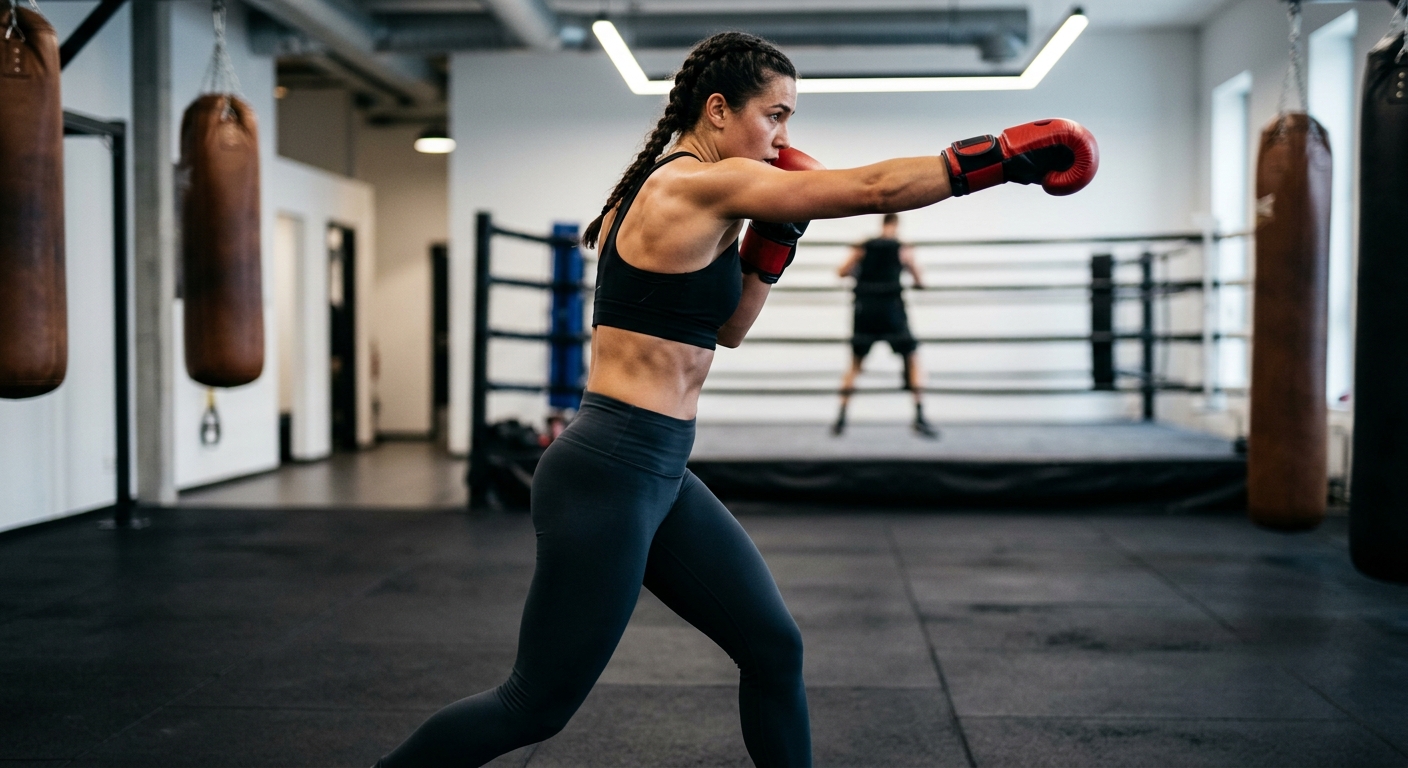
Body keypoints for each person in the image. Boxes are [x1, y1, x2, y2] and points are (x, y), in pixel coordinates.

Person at [378, 31, 1097, 768]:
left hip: (659, 470)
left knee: (773, 648)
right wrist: (1000, 158)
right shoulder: (687, 184)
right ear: (718, 110)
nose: (784, 137)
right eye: (775, 116)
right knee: (534, 705)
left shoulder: (707, 200)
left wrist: (776, 235)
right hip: (610, 471)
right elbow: (874, 189)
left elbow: (729, 329)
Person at [832, 213, 935, 438]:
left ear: (882, 224)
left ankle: (841, 417)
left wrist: (862, 273)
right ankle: (919, 414)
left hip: (865, 310)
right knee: (912, 357)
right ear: (896, 226)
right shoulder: (902, 248)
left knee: (855, 364)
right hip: (892, 311)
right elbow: (919, 280)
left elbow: (841, 272)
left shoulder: (863, 245)